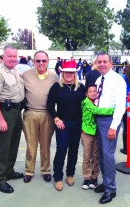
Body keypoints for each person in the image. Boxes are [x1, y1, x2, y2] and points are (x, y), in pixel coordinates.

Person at [0, 45, 25, 193]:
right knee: (3, 146)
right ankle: (0, 180)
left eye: (15, 56)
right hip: (5, 112)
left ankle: (9, 171)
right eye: (9, 56)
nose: (13, 59)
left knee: (13, 144)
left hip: (16, 111)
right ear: (3, 56)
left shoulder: (15, 70)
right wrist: (0, 119)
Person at [47, 60, 86, 191]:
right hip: (62, 124)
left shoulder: (80, 87)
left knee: (74, 150)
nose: (69, 74)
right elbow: (50, 104)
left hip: (77, 124)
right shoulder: (56, 87)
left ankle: (70, 174)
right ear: (62, 72)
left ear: (75, 73)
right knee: (61, 150)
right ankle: (58, 177)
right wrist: (56, 119)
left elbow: (87, 104)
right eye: (66, 72)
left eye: (71, 72)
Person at [93, 52, 126, 204]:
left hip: (109, 121)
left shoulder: (117, 80)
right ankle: (106, 183)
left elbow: (121, 105)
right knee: (101, 153)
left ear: (111, 63)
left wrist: (113, 127)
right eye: (99, 62)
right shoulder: (99, 79)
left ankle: (110, 189)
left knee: (107, 154)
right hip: (99, 119)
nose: (101, 64)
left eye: (104, 61)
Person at [21, 51, 59, 184]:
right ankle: (29, 171)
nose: (41, 63)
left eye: (44, 61)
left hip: (47, 114)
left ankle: (46, 170)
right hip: (30, 113)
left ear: (48, 61)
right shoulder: (26, 75)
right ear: (33, 62)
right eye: (38, 61)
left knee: (45, 145)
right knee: (31, 145)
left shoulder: (54, 77)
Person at [81, 84, 114, 190]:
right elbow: (98, 111)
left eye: (95, 91)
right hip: (87, 133)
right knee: (87, 157)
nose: (93, 93)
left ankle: (94, 178)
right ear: (86, 94)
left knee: (96, 157)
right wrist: (114, 110)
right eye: (90, 91)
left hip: (96, 133)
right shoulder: (86, 102)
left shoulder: (98, 102)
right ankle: (87, 178)